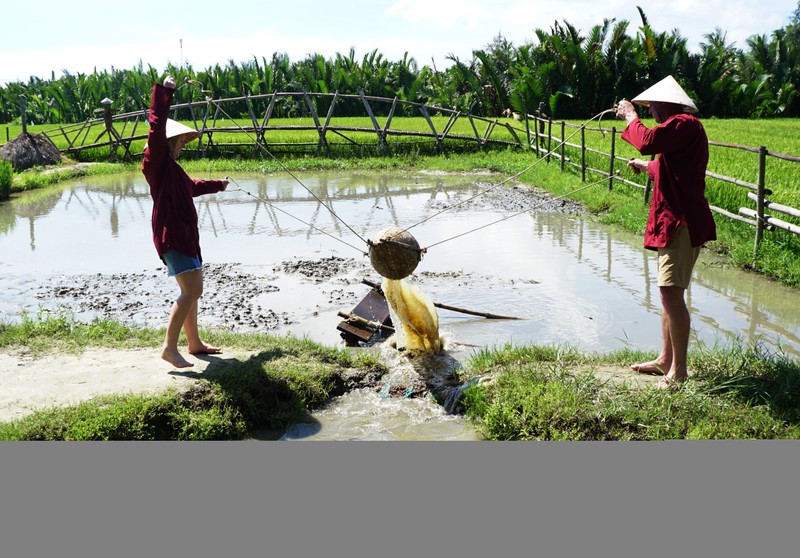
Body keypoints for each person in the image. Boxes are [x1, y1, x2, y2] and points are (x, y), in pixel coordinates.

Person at [615, 75, 716, 389]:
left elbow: (647, 142)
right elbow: (672, 166)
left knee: (671, 293)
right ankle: (664, 360)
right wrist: (647, 168)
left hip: (679, 223)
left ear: (665, 104)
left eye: (651, 107)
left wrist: (631, 116)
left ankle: (679, 371)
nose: (651, 113)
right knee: (667, 294)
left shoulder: (685, 124)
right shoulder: (681, 132)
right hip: (671, 222)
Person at [142, 75, 229, 368]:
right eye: (179, 142)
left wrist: (218, 184)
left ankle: (193, 343)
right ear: (168, 142)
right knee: (191, 291)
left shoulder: (174, 171)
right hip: (173, 236)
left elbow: (192, 188)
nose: (182, 146)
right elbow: (157, 123)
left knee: (193, 290)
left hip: (185, 236)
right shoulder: (157, 164)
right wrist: (166, 92)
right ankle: (169, 347)